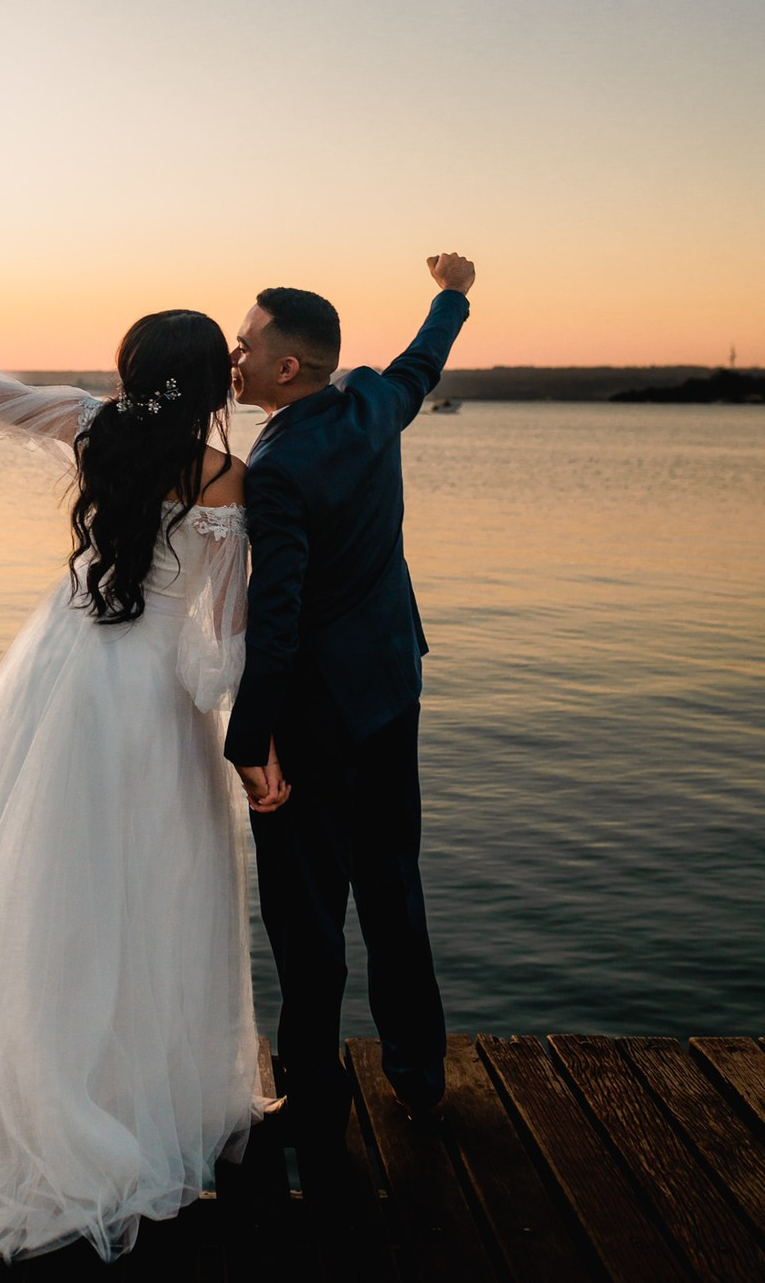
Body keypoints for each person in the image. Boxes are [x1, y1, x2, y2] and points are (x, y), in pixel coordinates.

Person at [0, 310, 272, 1273]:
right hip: (150, 704)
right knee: (145, 891)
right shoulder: (227, 481)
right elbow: (224, 638)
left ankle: (17, 1075)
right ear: (208, 385)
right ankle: (127, 1085)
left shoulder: (89, 426)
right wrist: (244, 737)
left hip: (56, 674)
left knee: (32, 880)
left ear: (131, 372)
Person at [224, 252, 475, 1192]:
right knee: (394, 886)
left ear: (288, 368)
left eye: (245, 344)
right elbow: (422, 361)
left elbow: (276, 616)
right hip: (390, 689)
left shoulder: (277, 468)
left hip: (317, 716)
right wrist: (453, 293)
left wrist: (251, 740)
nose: (234, 356)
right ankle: (418, 1076)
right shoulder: (373, 403)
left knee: (306, 918)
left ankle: (317, 1104)